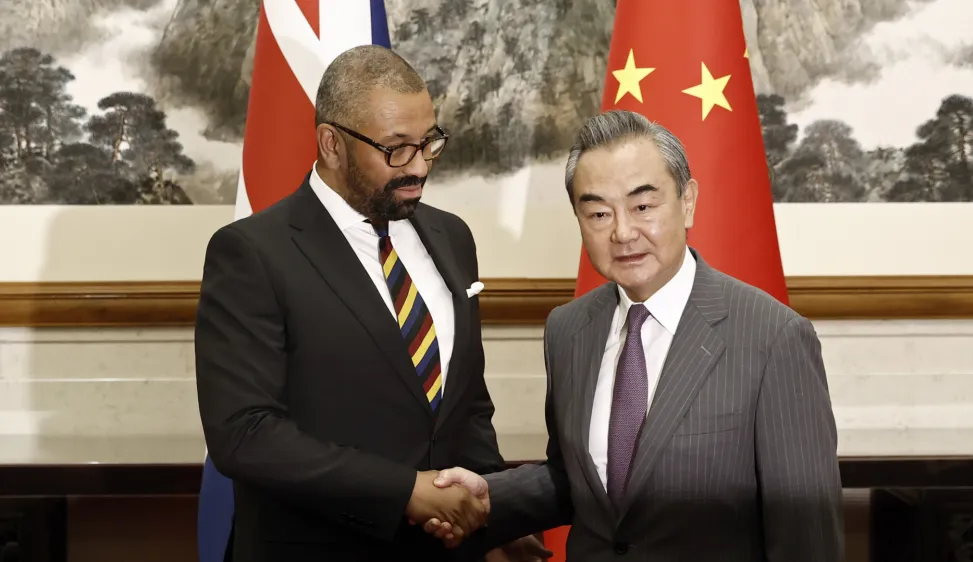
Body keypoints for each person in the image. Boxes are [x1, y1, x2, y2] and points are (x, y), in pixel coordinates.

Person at [429, 109, 845, 561]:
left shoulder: (774, 337)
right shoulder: (569, 330)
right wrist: (489, 497)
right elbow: (581, 478)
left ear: (687, 201)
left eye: (643, 206)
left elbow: (808, 536)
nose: (623, 232)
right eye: (599, 213)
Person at [195, 45, 539, 562]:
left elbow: (465, 406)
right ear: (332, 143)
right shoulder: (251, 253)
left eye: (429, 143)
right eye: (397, 148)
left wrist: (494, 515)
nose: (420, 165)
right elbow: (245, 435)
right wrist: (404, 491)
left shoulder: (451, 237)